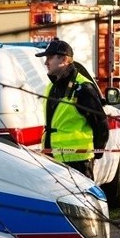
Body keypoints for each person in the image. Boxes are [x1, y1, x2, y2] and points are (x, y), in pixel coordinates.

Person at [36, 39, 108, 180]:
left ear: (64, 59)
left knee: (82, 201)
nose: (46, 62)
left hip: (78, 161)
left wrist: (98, 151)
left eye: (50, 57)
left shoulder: (83, 88)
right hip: (52, 158)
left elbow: (101, 123)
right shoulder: (52, 87)